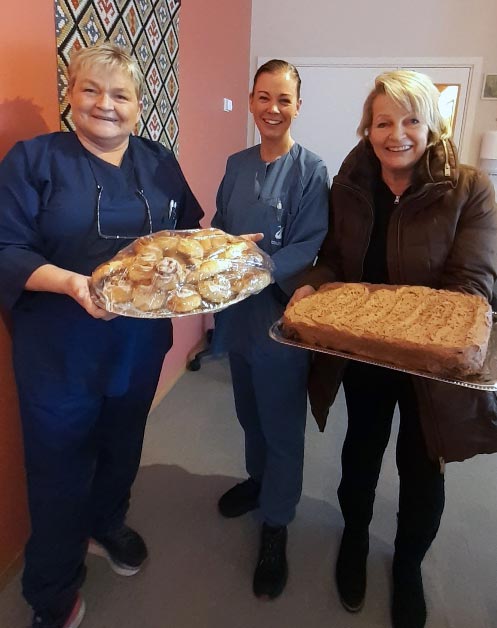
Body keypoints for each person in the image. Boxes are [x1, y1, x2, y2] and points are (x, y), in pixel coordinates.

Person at [0, 43, 203, 628]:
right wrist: (71, 283)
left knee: (122, 443)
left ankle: (107, 523)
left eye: (120, 94)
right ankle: (52, 590)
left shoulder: (158, 160)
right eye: (90, 90)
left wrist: (222, 252)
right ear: (70, 95)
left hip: (138, 343)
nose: (105, 105)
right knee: (58, 466)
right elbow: (5, 246)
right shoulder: (34, 159)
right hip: (59, 348)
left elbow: (185, 236)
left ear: (138, 105)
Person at [292, 70, 497, 628]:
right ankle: (355, 538)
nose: (397, 134)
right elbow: (336, 260)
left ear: (433, 126)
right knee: (361, 451)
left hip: (432, 364)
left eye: (411, 120)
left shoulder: (470, 189)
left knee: (422, 468)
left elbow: (471, 286)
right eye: (383, 122)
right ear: (368, 128)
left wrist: (406, 324)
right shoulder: (349, 185)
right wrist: (314, 283)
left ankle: (407, 565)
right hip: (366, 354)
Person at [212, 59, 329, 599]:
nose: (272, 109)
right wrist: (217, 251)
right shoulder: (236, 164)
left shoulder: (311, 170)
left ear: (298, 106)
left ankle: (277, 522)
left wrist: (260, 266)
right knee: (248, 412)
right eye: (263, 97)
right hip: (236, 313)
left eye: (284, 99)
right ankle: (258, 483)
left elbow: (309, 242)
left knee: (281, 424)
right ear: (251, 102)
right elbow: (220, 226)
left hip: (280, 315)